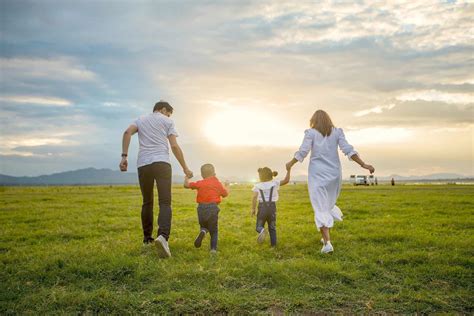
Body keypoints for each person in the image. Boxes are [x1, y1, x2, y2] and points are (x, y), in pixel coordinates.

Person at [286, 110, 374, 254]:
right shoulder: (337, 132)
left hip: (317, 174)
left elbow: (303, 151)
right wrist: (363, 165)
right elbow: (348, 150)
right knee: (325, 205)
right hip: (334, 174)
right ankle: (325, 236)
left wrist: (290, 163)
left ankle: (327, 243)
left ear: (313, 120)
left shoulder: (311, 133)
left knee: (320, 206)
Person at [120, 100, 193, 258]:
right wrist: (185, 167)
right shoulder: (168, 121)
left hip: (143, 164)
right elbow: (174, 146)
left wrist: (124, 157)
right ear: (164, 109)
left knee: (147, 202)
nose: (168, 115)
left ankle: (147, 239)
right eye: (168, 112)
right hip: (162, 163)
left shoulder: (140, 119)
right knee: (165, 202)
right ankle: (163, 237)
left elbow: (127, 133)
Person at [184, 164, 229, 254]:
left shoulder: (200, 182)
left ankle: (203, 231)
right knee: (214, 230)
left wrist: (186, 177)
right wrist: (227, 185)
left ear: (202, 174)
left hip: (201, 208)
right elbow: (225, 194)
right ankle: (213, 249)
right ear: (214, 173)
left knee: (204, 226)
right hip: (213, 207)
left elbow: (186, 185)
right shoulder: (217, 183)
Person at [251, 167, 290, 247]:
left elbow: (254, 197)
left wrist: (253, 209)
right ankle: (273, 246)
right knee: (272, 228)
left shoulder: (257, 185)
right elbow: (286, 180)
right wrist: (289, 170)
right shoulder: (275, 183)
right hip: (272, 208)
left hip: (262, 208)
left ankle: (262, 230)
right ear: (271, 175)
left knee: (258, 226)